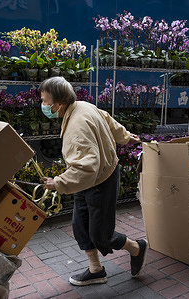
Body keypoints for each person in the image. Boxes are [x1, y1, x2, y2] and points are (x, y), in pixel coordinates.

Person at [39, 76, 148, 286]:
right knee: (80, 225)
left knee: (101, 234)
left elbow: (88, 167)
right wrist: (125, 136)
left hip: (100, 180)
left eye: (45, 101)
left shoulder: (76, 127)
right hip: (87, 179)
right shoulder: (81, 106)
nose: (42, 105)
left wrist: (59, 182)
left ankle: (137, 248)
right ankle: (96, 270)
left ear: (59, 104)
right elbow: (108, 119)